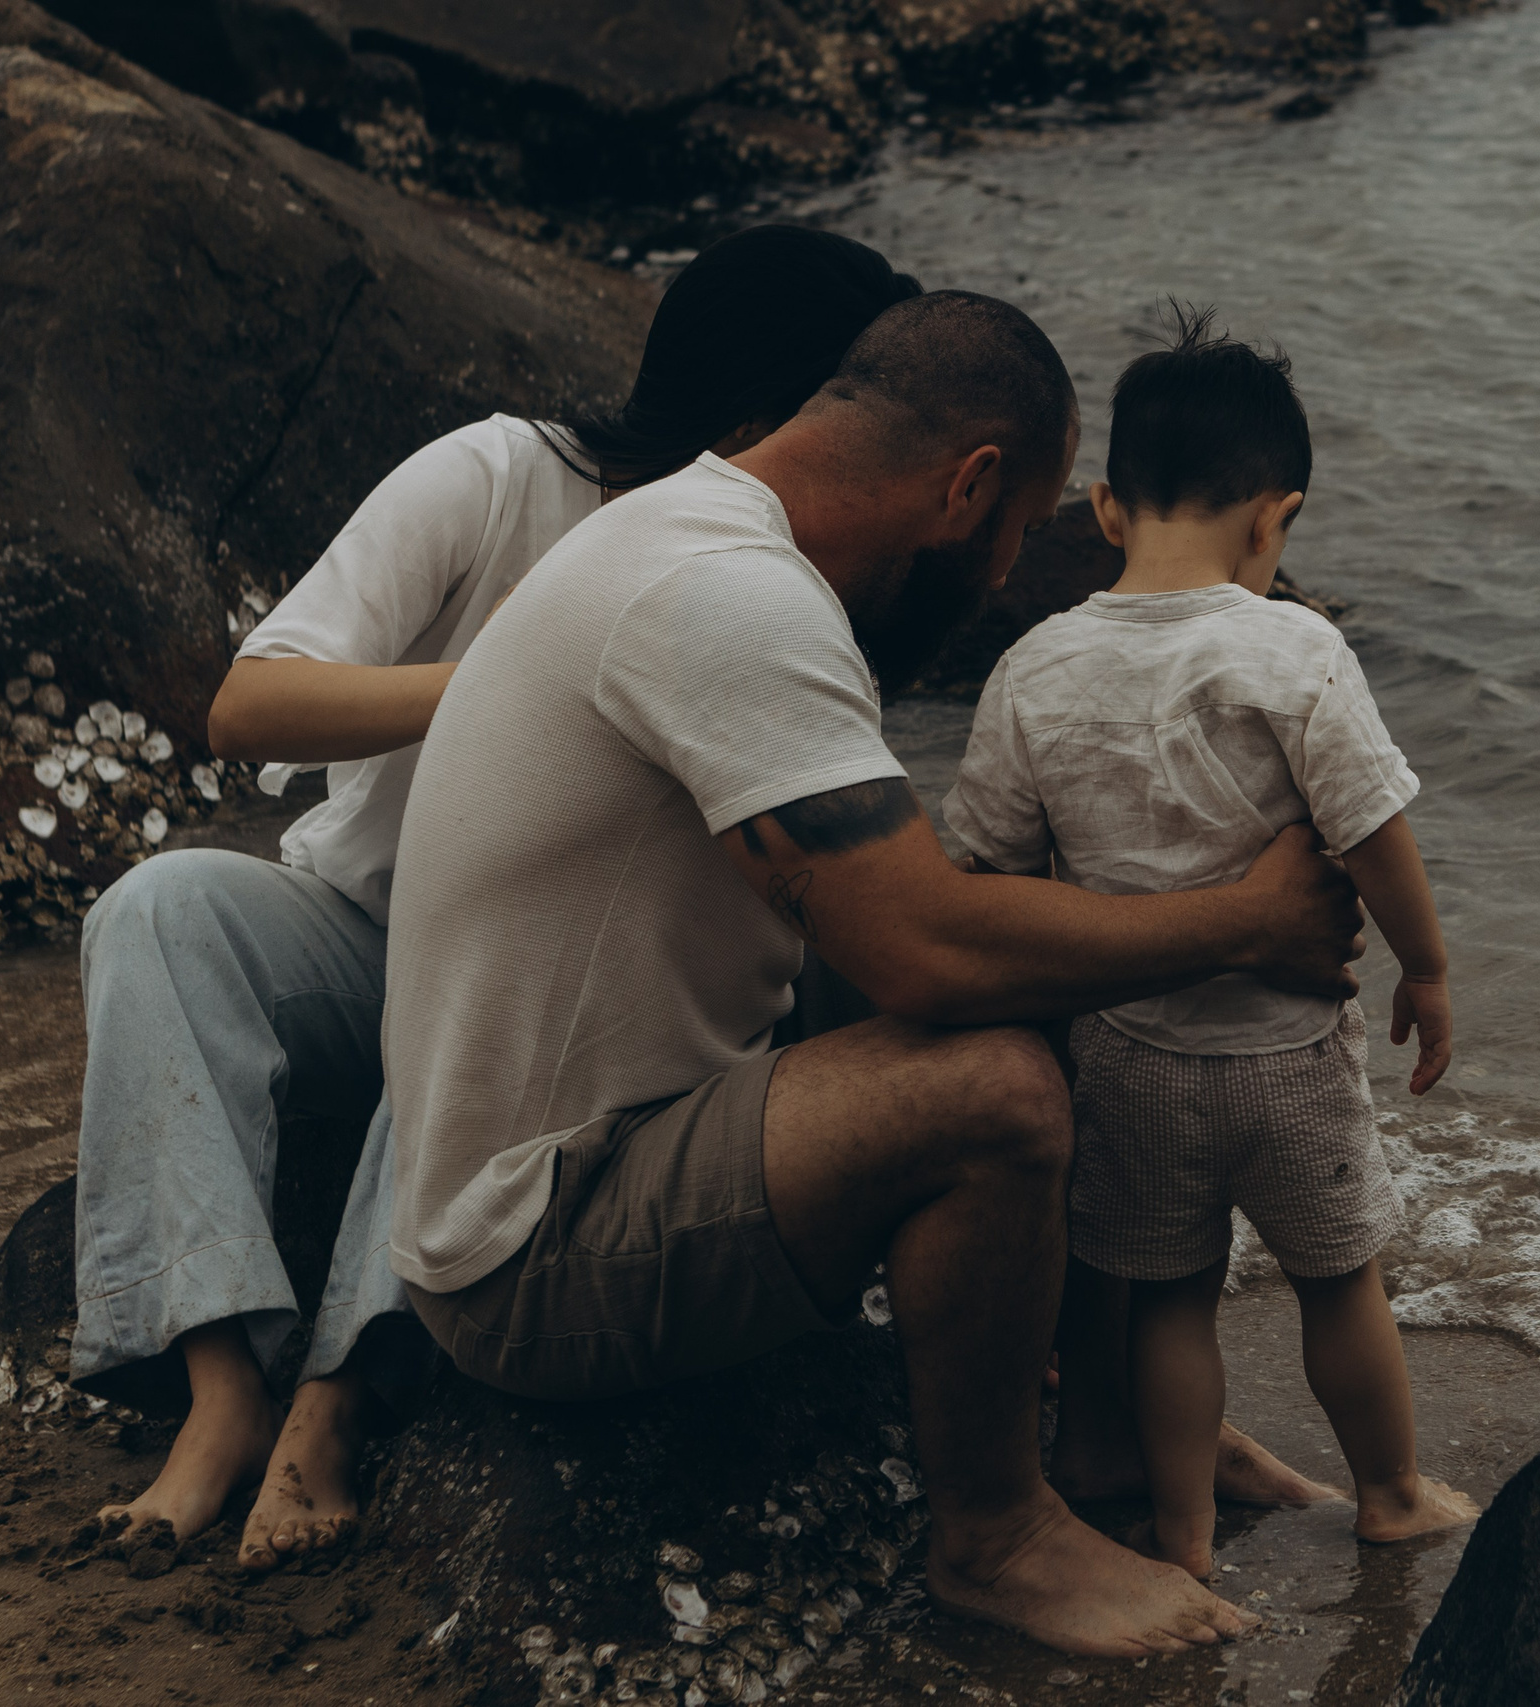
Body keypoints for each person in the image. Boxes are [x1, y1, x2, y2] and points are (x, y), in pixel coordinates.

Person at [379, 291, 1371, 1657]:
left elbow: (913, 921)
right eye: (1019, 532)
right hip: (530, 1250)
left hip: (589, 1154)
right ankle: (998, 1535)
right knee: (994, 1088)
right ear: (967, 486)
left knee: (1046, 977)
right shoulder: (729, 598)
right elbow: (923, 943)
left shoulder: (692, 533)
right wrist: (1245, 921)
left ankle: (1106, 1424)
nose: (1012, 565)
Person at [69, 226, 924, 1570]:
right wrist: (523, 671)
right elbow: (249, 700)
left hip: (539, 990)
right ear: (766, 419)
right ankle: (220, 1387)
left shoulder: (784, 583)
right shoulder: (497, 473)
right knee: (158, 908)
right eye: (861, 406)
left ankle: (328, 1408)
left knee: (486, 971)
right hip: (355, 927)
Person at [940, 313, 1481, 1575]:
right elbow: (1372, 831)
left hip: (1131, 1058)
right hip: (1287, 1057)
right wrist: (1430, 968)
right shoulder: (1291, 645)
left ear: (1106, 510)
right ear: (1272, 518)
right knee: (1341, 1281)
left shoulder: (1033, 666)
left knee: (1173, 1300)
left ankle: (1180, 1532)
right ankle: (1391, 1492)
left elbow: (989, 867)